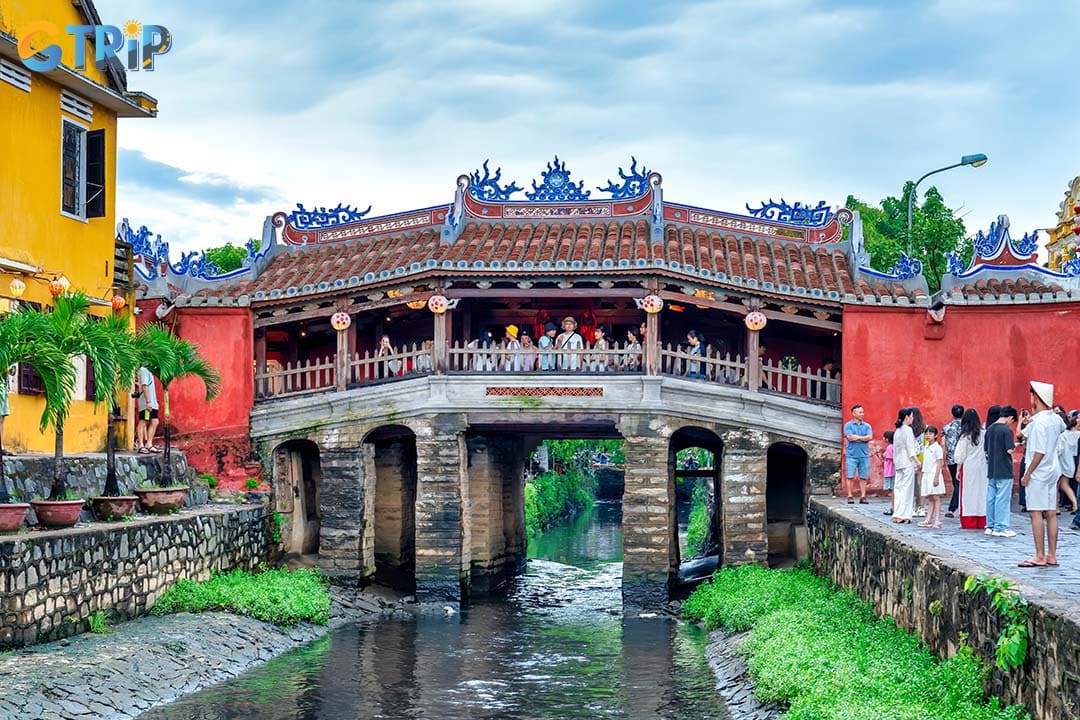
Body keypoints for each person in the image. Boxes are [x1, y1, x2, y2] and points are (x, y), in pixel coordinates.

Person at [1019, 381, 1066, 568]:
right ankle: (1052, 554)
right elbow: (1062, 427)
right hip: (1053, 469)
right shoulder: (1055, 419)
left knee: (1036, 512)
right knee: (1051, 512)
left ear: (1035, 397)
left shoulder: (1039, 423)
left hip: (1039, 471)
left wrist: (1027, 473)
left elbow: (1039, 451)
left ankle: (1039, 555)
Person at [985, 405, 1018, 537]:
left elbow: (986, 449)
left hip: (992, 468)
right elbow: (1009, 449)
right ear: (1010, 417)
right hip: (1004, 468)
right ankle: (1001, 527)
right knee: (1002, 499)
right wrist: (1015, 445)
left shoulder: (990, 429)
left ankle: (990, 525)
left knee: (991, 498)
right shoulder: (1006, 430)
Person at [954, 408, 988, 530]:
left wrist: (958, 469)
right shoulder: (984, 433)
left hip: (969, 467)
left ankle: (969, 520)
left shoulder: (965, 436)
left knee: (968, 494)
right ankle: (981, 519)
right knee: (981, 492)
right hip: (982, 466)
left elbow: (959, 456)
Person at [892, 408, 919, 524]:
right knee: (907, 489)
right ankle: (904, 515)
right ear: (907, 417)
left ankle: (897, 514)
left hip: (898, 462)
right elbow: (910, 449)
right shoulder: (907, 430)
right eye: (911, 416)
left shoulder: (897, 431)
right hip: (907, 462)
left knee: (898, 488)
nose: (912, 418)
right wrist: (917, 461)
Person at [843, 404, 872, 504]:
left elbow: (869, 437)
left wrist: (857, 438)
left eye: (862, 412)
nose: (862, 414)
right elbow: (850, 437)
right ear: (853, 413)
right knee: (850, 476)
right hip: (851, 455)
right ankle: (850, 495)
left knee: (863, 477)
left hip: (864, 455)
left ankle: (863, 496)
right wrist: (862, 438)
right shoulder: (848, 425)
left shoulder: (867, 426)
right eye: (860, 412)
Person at [919, 425, 946, 529]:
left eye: (930, 434)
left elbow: (939, 462)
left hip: (934, 474)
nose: (928, 436)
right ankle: (929, 519)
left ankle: (938, 519)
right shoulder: (926, 447)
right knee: (930, 497)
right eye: (926, 433)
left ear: (935, 436)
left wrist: (936, 476)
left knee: (936, 497)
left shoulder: (937, 448)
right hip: (927, 474)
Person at [1054, 412, 1080, 514]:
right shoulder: (1068, 434)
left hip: (1061, 463)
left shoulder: (1062, 435)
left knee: (1056, 485)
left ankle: (1056, 507)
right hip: (1069, 462)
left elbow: (1059, 450)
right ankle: (1075, 504)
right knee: (1064, 485)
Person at [942, 404, 964, 518]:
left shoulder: (947, 427)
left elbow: (943, 444)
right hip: (964, 459)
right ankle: (955, 507)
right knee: (961, 483)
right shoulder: (967, 427)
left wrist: (941, 459)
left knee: (956, 483)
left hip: (951, 459)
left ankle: (953, 508)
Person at [136, 365, 160, 453]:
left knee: (155, 421)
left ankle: (149, 444)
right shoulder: (144, 370)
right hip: (147, 402)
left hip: (152, 402)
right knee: (143, 421)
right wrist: (148, 401)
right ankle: (141, 445)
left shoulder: (149, 371)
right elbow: (144, 386)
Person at [910, 407, 927, 517]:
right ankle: (921, 507)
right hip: (923, 457)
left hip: (911, 457)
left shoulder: (908, 429)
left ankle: (912, 507)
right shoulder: (925, 428)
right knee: (921, 483)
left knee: (911, 484)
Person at [882, 430, 895, 516]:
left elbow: (891, 458)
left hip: (891, 472)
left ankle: (894, 507)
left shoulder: (890, 448)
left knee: (893, 490)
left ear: (887, 439)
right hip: (892, 472)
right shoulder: (892, 447)